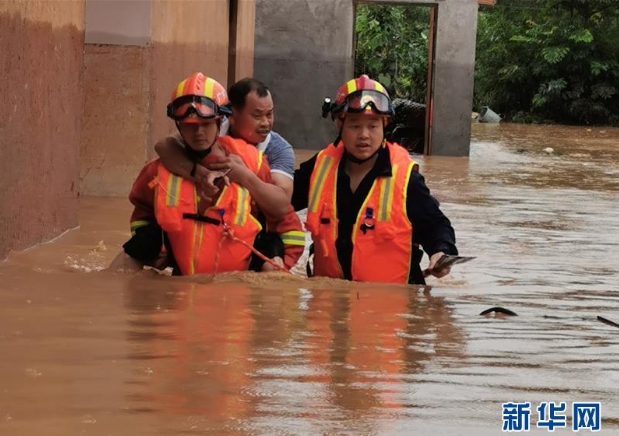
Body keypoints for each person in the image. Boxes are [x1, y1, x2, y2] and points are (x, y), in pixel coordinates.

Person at [110, 72, 304, 274]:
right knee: (131, 254)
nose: (199, 133)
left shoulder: (256, 159)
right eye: (190, 126)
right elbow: (141, 211)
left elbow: (285, 218)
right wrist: (154, 246)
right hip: (182, 283)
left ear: (221, 121)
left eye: (206, 124)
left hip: (238, 288)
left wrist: (276, 258)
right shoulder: (160, 168)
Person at [291, 75, 458, 285]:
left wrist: (440, 253)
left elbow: (435, 224)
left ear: (384, 126)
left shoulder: (406, 179)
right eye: (354, 126)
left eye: (373, 126)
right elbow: (280, 204)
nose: (364, 135)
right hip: (329, 304)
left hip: (391, 306)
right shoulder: (319, 168)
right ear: (339, 126)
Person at [155, 78, 296, 204]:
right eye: (257, 115)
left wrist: (243, 175)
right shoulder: (212, 123)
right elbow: (165, 146)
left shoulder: (279, 150)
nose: (266, 123)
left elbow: (283, 202)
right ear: (231, 115)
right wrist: (202, 175)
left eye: (269, 114)